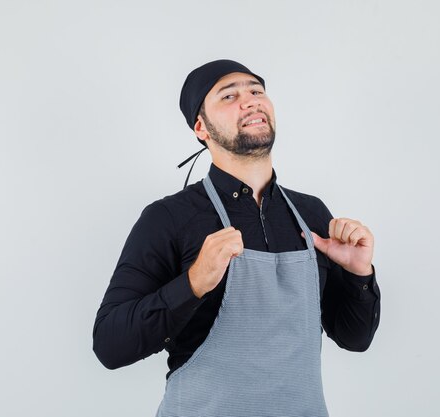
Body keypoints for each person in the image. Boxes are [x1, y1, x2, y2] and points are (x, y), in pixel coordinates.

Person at [93, 59, 381, 417]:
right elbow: (109, 345)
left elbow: (355, 338)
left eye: (256, 91)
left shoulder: (312, 214)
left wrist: (359, 276)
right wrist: (194, 283)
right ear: (202, 128)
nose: (250, 100)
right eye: (229, 96)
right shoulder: (168, 218)